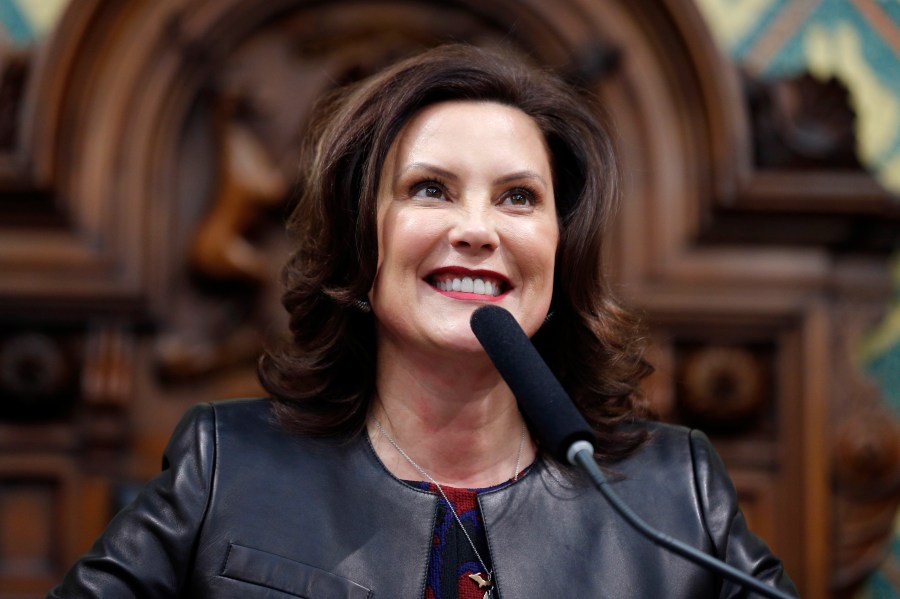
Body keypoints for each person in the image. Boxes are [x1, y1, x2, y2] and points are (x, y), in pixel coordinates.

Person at [49, 44, 797, 598]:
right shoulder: (226, 467)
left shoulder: (674, 494)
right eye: (431, 189)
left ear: (558, 253)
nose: (478, 229)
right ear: (358, 244)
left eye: (518, 198)